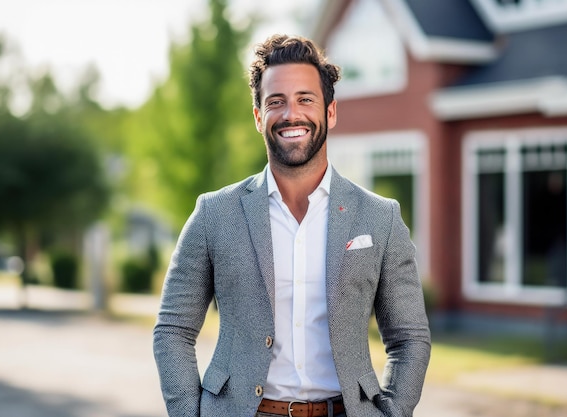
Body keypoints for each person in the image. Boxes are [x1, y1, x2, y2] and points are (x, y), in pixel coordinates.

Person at [153, 34, 431, 417]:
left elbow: (409, 338)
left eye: (305, 99)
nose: (291, 114)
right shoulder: (213, 214)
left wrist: (393, 412)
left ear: (330, 112)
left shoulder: (379, 218)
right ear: (257, 116)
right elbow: (173, 330)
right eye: (276, 102)